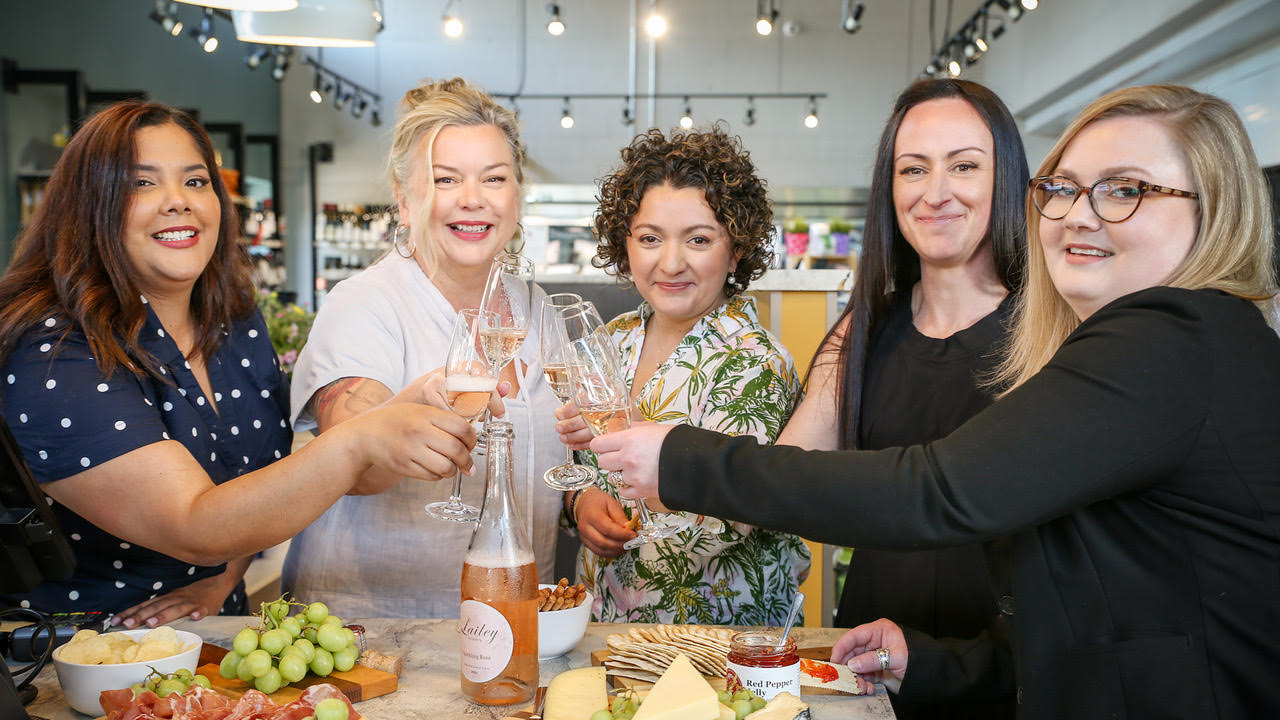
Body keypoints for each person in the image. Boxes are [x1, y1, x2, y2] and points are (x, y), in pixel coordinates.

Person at [592, 84, 1280, 718]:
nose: (1080, 214)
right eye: (1065, 188)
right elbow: (1099, 594)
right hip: (930, 662)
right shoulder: (1169, 337)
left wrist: (679, 460)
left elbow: (937, 490)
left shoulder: (1166, 337)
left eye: (1125, 189)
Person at [0, 102, 477, 627]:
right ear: (90, 205)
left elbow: (258, 482)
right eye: (142, 184)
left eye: (196, 181)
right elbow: (194, 523)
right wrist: (359, 437)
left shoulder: (230, 320)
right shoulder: (56, 354)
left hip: (216, 640)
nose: (178, 202)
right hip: (81, 658)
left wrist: (225, 579)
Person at [775, 78, 1026, 719]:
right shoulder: (861, 329)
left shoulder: (1048, 334)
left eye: (964, 166)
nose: (935, 192)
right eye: (913, 169)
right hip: (869, 657)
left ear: (1007, 178)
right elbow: (784, 474)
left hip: (1007, 667)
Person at [286, 77, 565, 617]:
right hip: (376, 631)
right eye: (445, 179)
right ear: (404, 198)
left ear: (516, 193)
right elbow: (350, 459)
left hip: (516, 614)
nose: (473, 199)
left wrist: (583, 498)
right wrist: (400, 420)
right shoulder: (365, 304)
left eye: (494, 178)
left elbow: (546, 455)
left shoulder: (536, 307)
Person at [558, 126, 808, 625]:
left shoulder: (757, 362)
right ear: (623, 244)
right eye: (650, 239)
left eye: (698, 239)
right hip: (608, 636)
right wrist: (581, 501)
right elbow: (580, 466)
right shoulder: (613, 338)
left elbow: (733, 512)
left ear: (735, 249)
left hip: (725, 651)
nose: (670, 263)